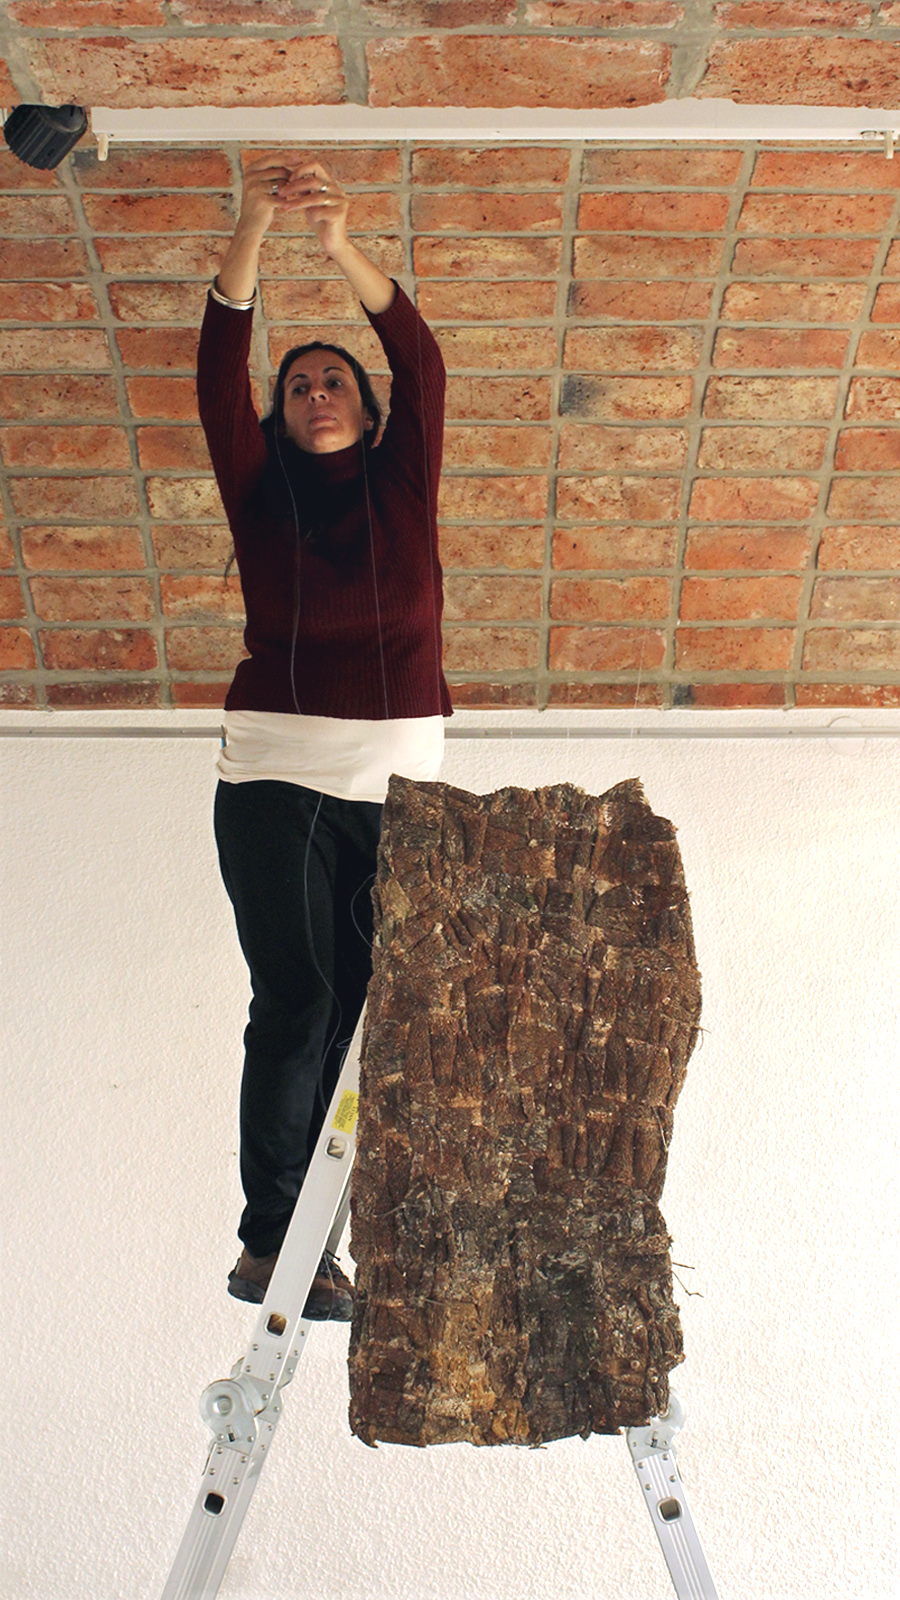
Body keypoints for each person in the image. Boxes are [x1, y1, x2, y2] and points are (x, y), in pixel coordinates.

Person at [197, 153, 452, 1316]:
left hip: (399, 788)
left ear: (366, 407)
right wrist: (253, 230)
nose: (315, 393)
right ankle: (269, 1242)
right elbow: (217, 372)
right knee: (297, 999)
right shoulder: (262, 492)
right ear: (281, 412)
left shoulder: (403, 484)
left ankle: (316, 1249)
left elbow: (423, 362)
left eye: (333, 380)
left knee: (358, 1027)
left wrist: (341, 245)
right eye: (297, 384)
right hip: (278, 776)